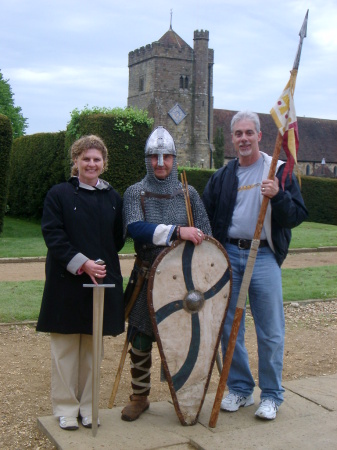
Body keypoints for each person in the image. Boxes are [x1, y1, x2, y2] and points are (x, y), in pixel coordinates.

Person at [203, 111, 308, 420]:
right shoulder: (223, 176)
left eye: (249, 132)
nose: (244, 138)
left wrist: (277, 196)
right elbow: (206, 215)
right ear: (232, 138)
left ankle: (272, 395)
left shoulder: (278, 170)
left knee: (271, 330)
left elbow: (297, 216)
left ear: (260, 136)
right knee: (228, 326)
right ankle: (240, 388)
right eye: (238, 134)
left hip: (262, 257)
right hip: (229, 256)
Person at [121, 126, 212, 421]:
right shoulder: (136, 192)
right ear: (148, 160)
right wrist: (177, 231)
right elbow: (136, 228)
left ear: (174, 159)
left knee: (182, 339)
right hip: (148, 276)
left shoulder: (189, 193)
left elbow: (207, 237)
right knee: (141, 338)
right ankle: (140, 396)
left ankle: (183, 395)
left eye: (167, 157)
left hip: (183, 280)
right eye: (155, 157)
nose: (161, 162)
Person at [36, 135, 124, 430]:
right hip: (66, 281)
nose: (91, 164)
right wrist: (81, 263)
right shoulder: (58, 194)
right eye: (85, 158)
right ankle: (65, 408)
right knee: (64, 351)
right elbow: (53, 235)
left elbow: (116, 239)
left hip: (98, 283)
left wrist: (97, 267)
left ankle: (87, 408)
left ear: (104, 163)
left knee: (91, 351)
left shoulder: (113, 198)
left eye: (96, 159)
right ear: (75, 161)